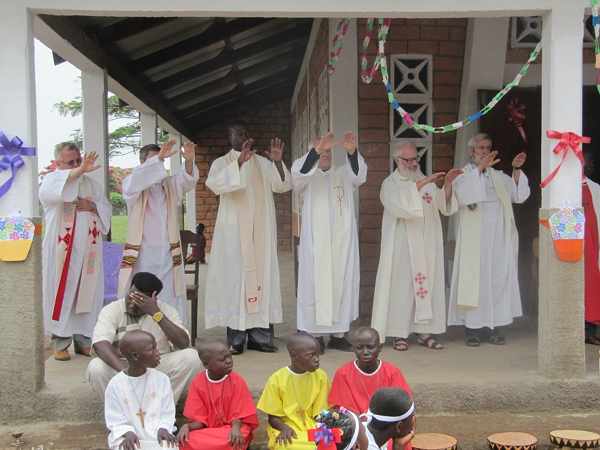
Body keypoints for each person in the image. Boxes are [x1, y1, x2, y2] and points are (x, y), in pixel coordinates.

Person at [204, 123, 292, 354]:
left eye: (245, 133)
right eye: (237, 133)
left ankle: (260, 338)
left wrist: (277, 162)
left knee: (263, 278)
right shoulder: (222, 163)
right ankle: (235, 339)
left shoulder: (262, 162)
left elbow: (282, 185)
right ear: (229, 137)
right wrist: (239, 164)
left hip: (261, 232)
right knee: (236, 281)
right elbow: (214, 185)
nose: (242, 137)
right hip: (234, 235)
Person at [371, 143, 461, 351]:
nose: (413, 163)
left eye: (415, 159)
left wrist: (447, 185)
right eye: (408, 160)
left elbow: (443, 206)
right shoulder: (390, 184)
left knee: (427, 285)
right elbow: (401, 207)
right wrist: (421, 184)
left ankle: (424, 332)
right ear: (397, 160)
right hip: (402, 244)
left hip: (427, 242)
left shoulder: (426, 182)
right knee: (402, 288)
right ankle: (399, 334)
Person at [448, 133, 530, 346]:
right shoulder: (462, 175)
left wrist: (516, 169)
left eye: (487, 147)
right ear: (471, 151)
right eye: (480, 148)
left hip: (498, 239)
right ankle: (473, 330)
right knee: (474, 281)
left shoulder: (499, 176)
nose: (484, 151)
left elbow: (519, 196)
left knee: (497, 279)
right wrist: (480, 169)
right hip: (474, 240)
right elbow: (464, 195)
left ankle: (495, 327)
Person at [292, 132, 367, 352]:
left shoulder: (343, 174)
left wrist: (352, 152)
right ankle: (314, 336)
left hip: (342, 244)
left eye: (328, 151)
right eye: (321, 151)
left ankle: (338, 334)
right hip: (316, 245)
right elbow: (298, 175)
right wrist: (315, 152)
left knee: (341, 283)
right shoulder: (307, 176)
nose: (325, 155)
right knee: (314, 286)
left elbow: (359, 175)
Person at [39, 142, 112, 361]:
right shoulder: (52, 180)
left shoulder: (91, 184)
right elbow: (55, 195)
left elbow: (105, 207)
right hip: (61, 252)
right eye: (71, 162)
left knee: (86, 293)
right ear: (58, 163)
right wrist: (78, 172)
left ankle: (84, 341)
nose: (77, 165)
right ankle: (60, 342)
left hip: (89, 251)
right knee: (63, 291)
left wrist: (93, 207)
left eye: (78, 160)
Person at [87, 272, 201, 401]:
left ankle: (162, 406)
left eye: (139, 300)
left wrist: (156, 313)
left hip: (157, 365)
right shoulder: (111, 309)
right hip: (124, 365)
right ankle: (122, 409)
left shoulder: (166, 310)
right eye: (131, 297)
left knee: (192, 357)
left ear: (153, 298)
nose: (132, 304)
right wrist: (126, 372)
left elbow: (183, 343)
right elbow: (100, 344)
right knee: (96, 367)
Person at [119, 139, 199, 323]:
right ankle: (144, 334)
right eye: (155, 160)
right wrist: (159, 158)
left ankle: (171, 333)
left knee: (170, 297)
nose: (159, 164)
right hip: (143, 255)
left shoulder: (169, 185)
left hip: (168, 256)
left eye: (162, 160)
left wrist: (188, 161)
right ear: (142, 163)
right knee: (144, 295)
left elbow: (187, 181)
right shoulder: (132, 185)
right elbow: (137, 179)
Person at [178, 339, 259, 450]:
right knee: (187, 440)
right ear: (206, 364)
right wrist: (187, 426)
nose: (229, 361)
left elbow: (241, 413)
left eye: (229, 356)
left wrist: (235, 427)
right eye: (222, 359)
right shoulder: (197, 383)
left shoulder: (237, 381)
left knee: (237, 436)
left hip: (233, 428)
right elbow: (199, 421)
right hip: (210, 432)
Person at [104, 330, 177, 450]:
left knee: (168, 446)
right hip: (129, 436)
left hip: (156, 433)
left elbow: (167, 411)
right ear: (135, 356)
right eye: (152, 349)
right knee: (126, 447)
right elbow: (114, 417)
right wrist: (128, 433)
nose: (157, 352)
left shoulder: (162, 379)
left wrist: (163, 428)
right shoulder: (115, 385)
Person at [257, 333, 329, 449]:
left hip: (313, 425)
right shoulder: (277, 379)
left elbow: (321, 413)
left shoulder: (321, 376)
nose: (317, 359)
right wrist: (284, 428)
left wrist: (324, 428)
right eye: (311, 355)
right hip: (286, 427)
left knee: (329, 441)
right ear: (294, 355)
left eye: (318, 355)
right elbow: (273, 418)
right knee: (288, 444)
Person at [328, 327, 412, 417]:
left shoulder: (392, 372)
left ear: (380, 347)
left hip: (385, 421)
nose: (365, 352)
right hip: (354, 421)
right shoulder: (343, 374)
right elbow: (339, 407)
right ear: (353, 348)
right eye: (359, 348)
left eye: (370, 347)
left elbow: (404, 403)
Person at [582, 152, 600, 345]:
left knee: (593, 286)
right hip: (574, 246)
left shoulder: (595, 188)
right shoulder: (563, 188)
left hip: (594, 246)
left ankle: (591, 331)